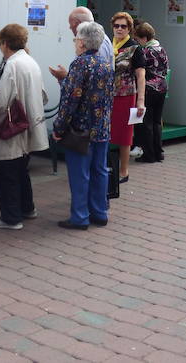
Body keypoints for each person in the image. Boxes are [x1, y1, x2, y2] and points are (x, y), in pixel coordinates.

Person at [52, 21, 114, 230]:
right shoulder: (105, 63)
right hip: (102, 127)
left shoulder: (80, 64)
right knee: (100, 170)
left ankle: (79, 217)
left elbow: (70, 100)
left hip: (81, 130)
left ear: (82, 42)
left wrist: (59, 129)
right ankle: (99, 212)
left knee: (80, 175)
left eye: (76, 39)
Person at [0, 24, 48, 229]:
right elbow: (42, 94)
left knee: (6, 172)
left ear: (5, 43)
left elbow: (2, 101)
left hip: (12, 127)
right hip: (30, 124)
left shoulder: (12, 64)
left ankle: (11, 217)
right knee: (21, 170)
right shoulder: (30, 61)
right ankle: (27, 208)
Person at [108, 12, 145, 183]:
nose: (119, 29)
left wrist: (140, 101)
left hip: (126, 95)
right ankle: (105, 168)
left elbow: (141, 76)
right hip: (107, 96)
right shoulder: (107, 45)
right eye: (117, 26)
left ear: (129, 28)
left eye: (123, 26)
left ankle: (124, 171)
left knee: (124, 135)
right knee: (105, 132)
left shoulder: (135, 48)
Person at [132, 22, 168, 164]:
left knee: (146, 123)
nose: (137, 42)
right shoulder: (161, 49)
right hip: (162, 87)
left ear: (144, 38)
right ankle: (159, 152)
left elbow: (139, 71)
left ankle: (149, 155)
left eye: (138, 39)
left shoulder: (145, 51)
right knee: (157, 121)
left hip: (148, 88)